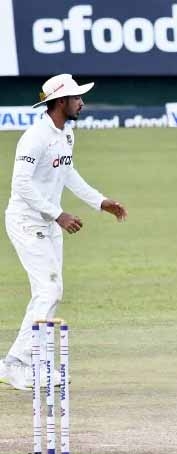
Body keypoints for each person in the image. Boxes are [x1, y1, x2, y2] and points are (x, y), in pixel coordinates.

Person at [0, 74, 128, 390]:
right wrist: (58, 214)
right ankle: (18, 365)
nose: (82, 103)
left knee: (48, 292)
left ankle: (23, 363)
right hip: (28, 222)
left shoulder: (66, 134)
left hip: (48, 223)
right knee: (49, 291)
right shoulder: (35, 137)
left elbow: (68, 173)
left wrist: (100, 201)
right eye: (76, 98)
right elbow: (21, 184)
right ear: (61, 103)